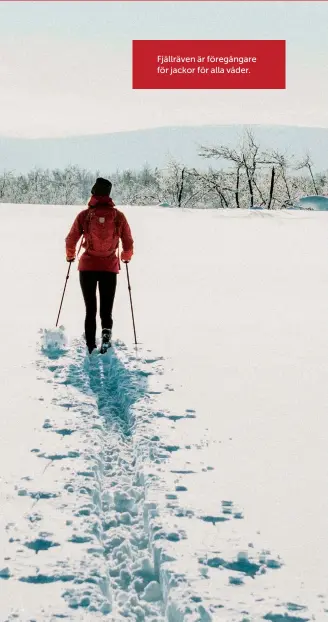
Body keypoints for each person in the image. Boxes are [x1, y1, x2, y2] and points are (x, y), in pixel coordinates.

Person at [65, 177, 134, 355]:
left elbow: (71, 238)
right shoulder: (118, 216)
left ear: (94, 193)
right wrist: (125, 256)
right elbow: (127, 240)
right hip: (109, 268)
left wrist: (70, 255)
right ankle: (105, 336)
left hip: (87, 267)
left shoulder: (85, 215)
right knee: (106, 307)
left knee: (90, 307)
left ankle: (90, 343)